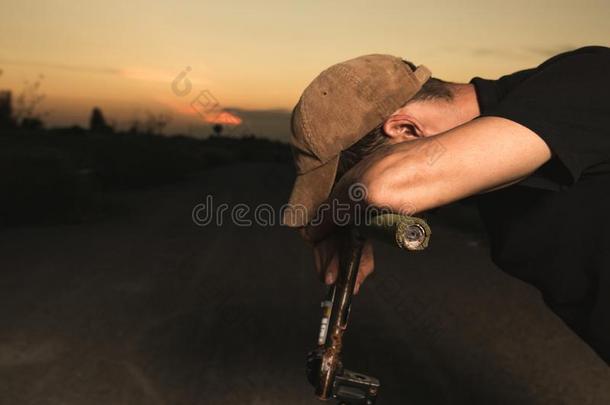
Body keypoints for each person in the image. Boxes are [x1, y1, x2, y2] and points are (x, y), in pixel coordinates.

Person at [282, 47, 610, 403]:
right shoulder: (491, 185)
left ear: (405, 128)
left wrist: (325, 225)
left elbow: (382, 186)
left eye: (350, 182)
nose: (360, 202)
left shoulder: (589, 78)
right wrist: (353, 229)